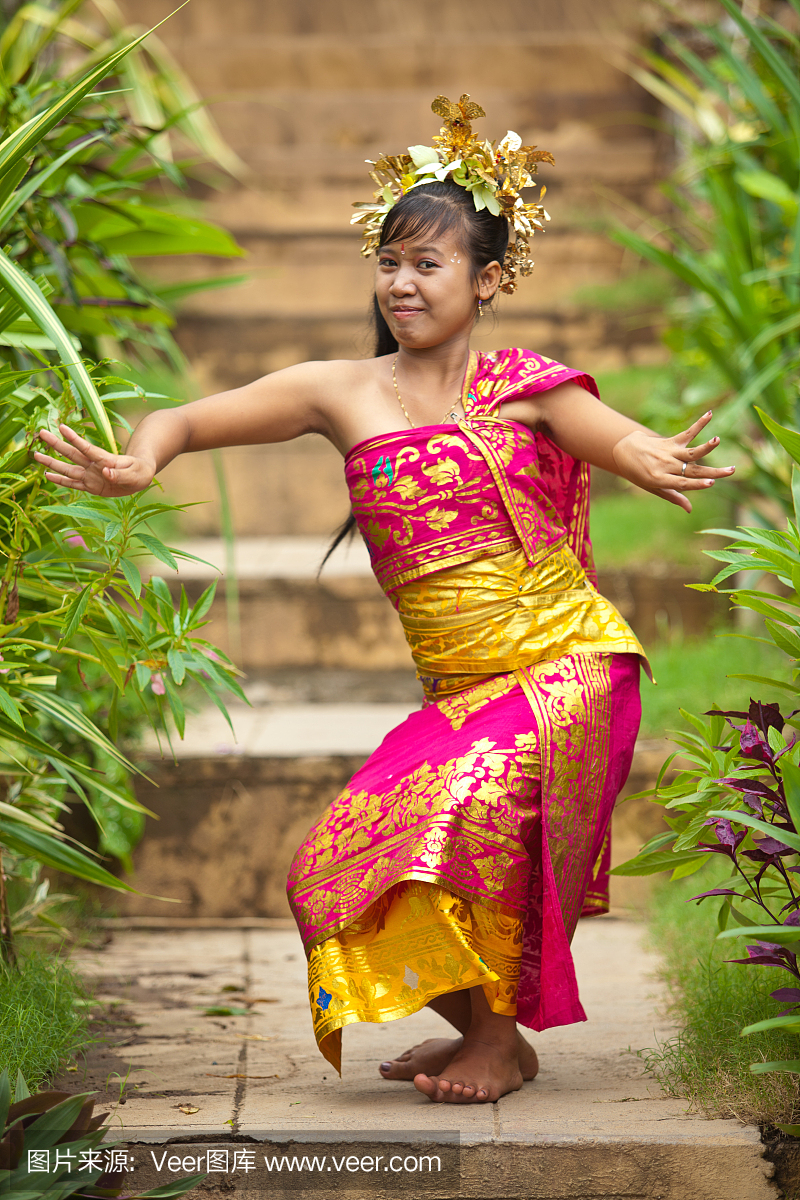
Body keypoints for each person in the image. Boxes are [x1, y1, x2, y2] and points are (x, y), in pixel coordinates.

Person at [34, 95, 735, 1105]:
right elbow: (178, 419)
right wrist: (137, 461)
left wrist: (652, 457)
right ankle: (495, 1037)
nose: (400, 284)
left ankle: (495, 1043)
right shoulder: (340, 392)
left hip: (563, 665)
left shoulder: (527, 389)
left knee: (470, 826)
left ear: (489, 280)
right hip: (461, 691)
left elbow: (613, 436)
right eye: (389, 261)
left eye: (427, 264)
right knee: (326, 879)